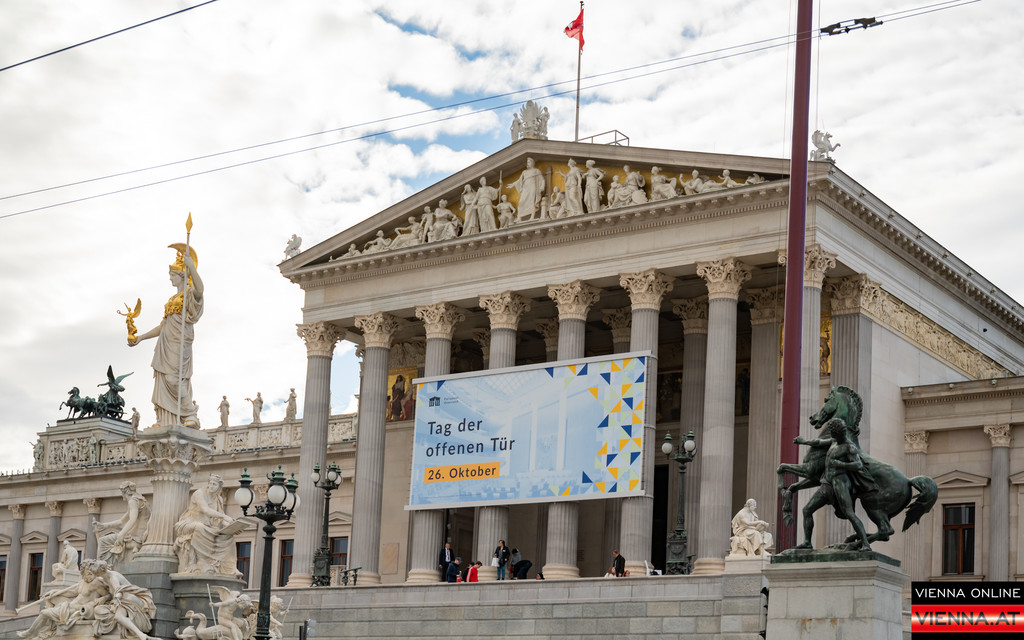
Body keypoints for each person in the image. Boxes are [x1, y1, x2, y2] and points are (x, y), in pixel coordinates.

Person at [129, 245, 203, 428]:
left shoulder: (188, 294)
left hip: (180, 340)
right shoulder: (171, 300)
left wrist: (191, 268)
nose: (170, 277)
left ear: (182, 275)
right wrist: (141, 337)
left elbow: (200, 290)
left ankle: (191, 414)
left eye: (172, 274)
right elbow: (163, 326)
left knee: (173, 378)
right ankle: (166, 420)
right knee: (163, 379)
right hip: (166, 341)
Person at [173, 474, 241, 576]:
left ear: (219, 486)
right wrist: (225, 517)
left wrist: (233, 526)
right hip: (189, 524)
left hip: (208, 527)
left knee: (229, 537)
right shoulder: (199, 493)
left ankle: (230, 569)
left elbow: (222, 520)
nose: (211, 486)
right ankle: (201, 563)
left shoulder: (219, 499)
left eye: (214, 484)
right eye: (210, 483)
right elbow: (206, 510)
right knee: (199, 527)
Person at [94, 480, 150, 566]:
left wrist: (121, 534)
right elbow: (121, 521)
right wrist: (104, 526)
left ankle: (103, 567)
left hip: (135, 537)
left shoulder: (133, 501)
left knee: (103, 541)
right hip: (139, 534)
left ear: (125, 492)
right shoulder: (140, 500)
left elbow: (132, 520)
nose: (122, 495)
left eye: (122, 492)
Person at [507, 157, 544, 222]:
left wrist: (542, 186)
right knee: (521, 202)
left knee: (532, 201)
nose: (527, 164)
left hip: (532, 187)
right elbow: (519, 180)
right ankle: (519, 217)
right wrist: (513, 184)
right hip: (525, 188)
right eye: (527, 162)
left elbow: (542, 179)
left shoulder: (536, 171)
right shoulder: (524, 172)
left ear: (532, 163)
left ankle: (532, 217)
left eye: (529, 162)